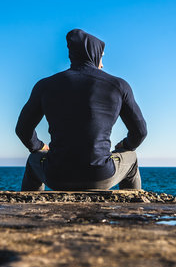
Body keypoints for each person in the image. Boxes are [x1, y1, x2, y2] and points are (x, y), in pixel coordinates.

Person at [15, 29, 147, 191]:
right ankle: (132, 214)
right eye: (102, 57)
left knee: (33, 158)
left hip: (56, 175)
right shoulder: (118, 86)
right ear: (94, 54)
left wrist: (39, 146)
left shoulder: (45, 85)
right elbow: (140, 132)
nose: (102, 64)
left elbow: (23, 129)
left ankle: (31, 211)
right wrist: (125, 145)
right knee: (131, 157)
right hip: (101, 175)